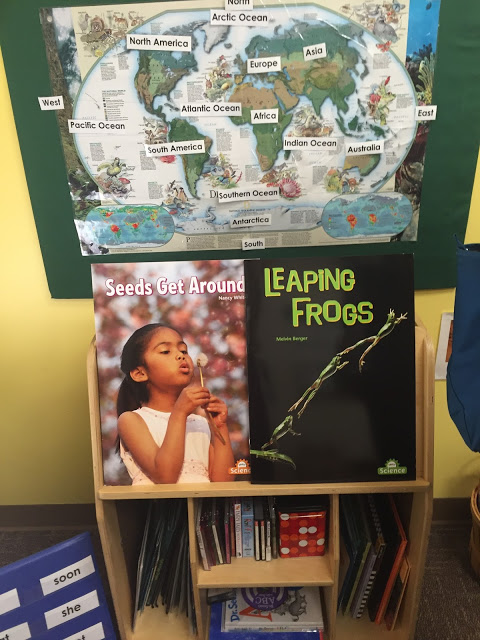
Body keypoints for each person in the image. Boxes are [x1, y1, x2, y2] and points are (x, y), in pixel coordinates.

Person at [116, 323, 235, 484]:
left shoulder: (201, 424)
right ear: (140, 373)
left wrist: (220, 427)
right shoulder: (132, 420)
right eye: (165, 351)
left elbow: (223, 482)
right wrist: (179, 412)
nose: (180, 355)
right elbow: (165, 477)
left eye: (184, 350)